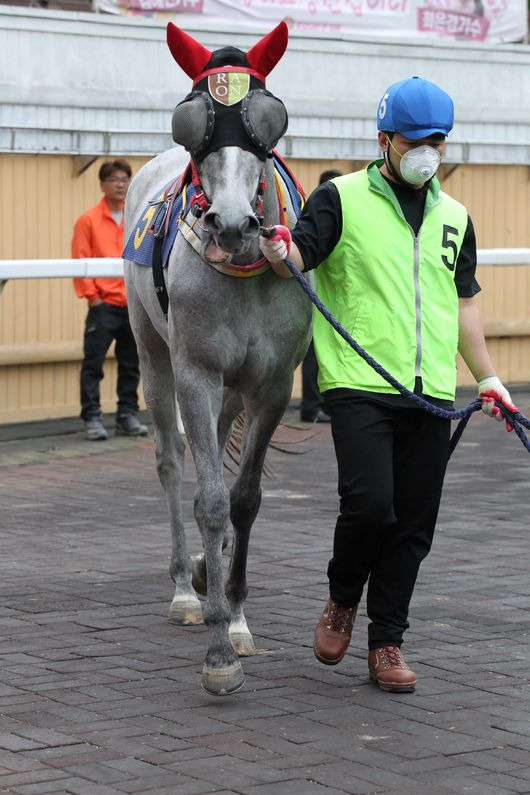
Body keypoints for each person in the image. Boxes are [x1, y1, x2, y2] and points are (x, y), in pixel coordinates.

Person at [259, 77, 518, 693]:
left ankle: (387, 643)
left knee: (413, 525)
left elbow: (465, 305)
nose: (429, 150)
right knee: (371, 504)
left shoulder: (455, 216)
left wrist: (488, 378)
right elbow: (300, 256)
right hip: (359, 382)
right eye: (417, 140)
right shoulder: (339, 198)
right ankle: (341, 598)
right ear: (385, 140)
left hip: (432, 391)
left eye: (439, 141)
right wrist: (279, 251)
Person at [72, 159, 148, 441]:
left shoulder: (137, 218)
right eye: (114, 179)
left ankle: (127, 415)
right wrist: (93, 298)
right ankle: (91, 417)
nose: (120, 184)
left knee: (131, 364)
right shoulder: (88, 220)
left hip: (132, 304)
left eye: (125, 179)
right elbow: (79, 261)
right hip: (103, 304)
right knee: (93, 364)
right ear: (102, 184)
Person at [299, 169, 342, 424]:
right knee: (313, 353)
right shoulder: (319, 209)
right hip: (316, 293)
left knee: (322, 352)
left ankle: (320, 403)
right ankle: (311, 406)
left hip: (325, 293)